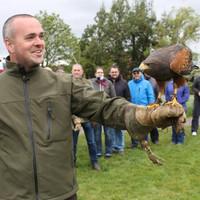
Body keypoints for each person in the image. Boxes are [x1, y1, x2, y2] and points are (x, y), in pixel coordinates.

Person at [0, 14, 185, 200]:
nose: (40, 42)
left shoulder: (64, 84)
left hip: (61, 194)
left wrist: (146, 115)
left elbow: (105, 106)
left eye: (41, 36)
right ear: (10, 44)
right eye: (30, 37)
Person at [71, 64, 100, 170]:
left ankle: (95, 162)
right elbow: (68, 102)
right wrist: (74, 118)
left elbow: (92, 100)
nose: (77, 72)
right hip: (74, 119)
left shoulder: (88, 83)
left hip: (87, 118)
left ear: (82, 71)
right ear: (72, 71)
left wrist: (94, 116)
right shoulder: (68, 84)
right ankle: (72, 163)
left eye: (78, 70)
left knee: (92, 141)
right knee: (73, 144)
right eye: (75, 70)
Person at [90, 66, 116, 158]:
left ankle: (108, 151)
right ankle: (98, 151)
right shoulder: (91, 83)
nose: (100, 74)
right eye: (98, 72)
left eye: (101, 72)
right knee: (96, 133)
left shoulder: (108, 83)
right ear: (95, 74)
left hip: (107, 111)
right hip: (96, 112)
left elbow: (113, 97)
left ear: (103, 74)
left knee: (108, 132)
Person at [128, 67, 155, 148]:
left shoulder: (146, 83)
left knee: (143, 126)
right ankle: (134, 143)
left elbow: (151, 95)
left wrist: (150, 106)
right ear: (132, 74)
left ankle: (144, 143)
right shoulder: (129, 83)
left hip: (144, 108)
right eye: (134, 73)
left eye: (138, 73)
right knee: (133, 126)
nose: (136, 74)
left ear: (141, 74)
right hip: (132, 108)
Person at [108, 64, 130, 153]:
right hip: (109, 110)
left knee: (119, 129)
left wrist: (126, 108)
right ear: (110, 73)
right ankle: (113, 146)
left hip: (121, 109)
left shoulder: (124, 83)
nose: (114, 73)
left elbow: (128, 97)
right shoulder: (106, 82)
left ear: (118, 72)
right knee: (111, 129)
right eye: (112, 72)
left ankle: (120, 147)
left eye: (115, 72)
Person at [144, 73, 159, 144]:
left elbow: (158, 93)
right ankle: (144, 139)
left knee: (152, 123)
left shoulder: (154, 81)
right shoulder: (141, 79)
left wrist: (155, 103)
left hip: (153, 105)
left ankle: (155, 139)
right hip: (144, 105)